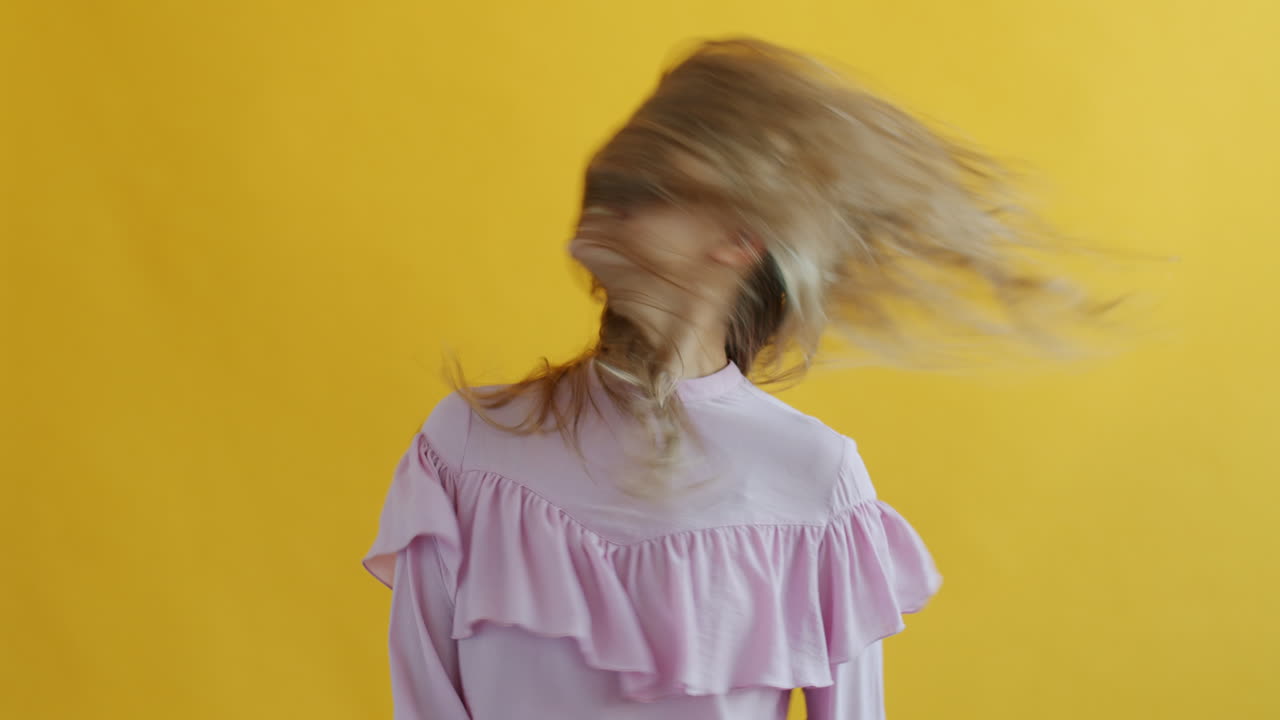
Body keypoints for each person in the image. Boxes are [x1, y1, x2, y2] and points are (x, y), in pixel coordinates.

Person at [362, 36, 1106, 719]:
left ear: (742, 237)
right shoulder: (464, 447)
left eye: (651, 187)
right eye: (610, 178)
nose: (608, 201)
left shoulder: (815, 481)